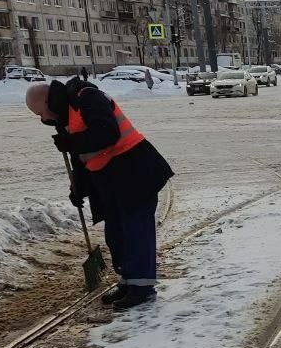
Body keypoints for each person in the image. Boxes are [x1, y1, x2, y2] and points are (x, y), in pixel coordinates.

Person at [25, 78, 174, 309]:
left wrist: (71, 142)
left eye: (40, 113)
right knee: (116, 234)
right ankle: (129, 282)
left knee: (136, 232)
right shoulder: (66, 114)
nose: (43, 119)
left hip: (136, 172)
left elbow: (107, 133)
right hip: (114, 180)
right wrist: (79, 188)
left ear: (47, 100)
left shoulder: (87, 97)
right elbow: (83, 158)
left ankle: (142, 288)